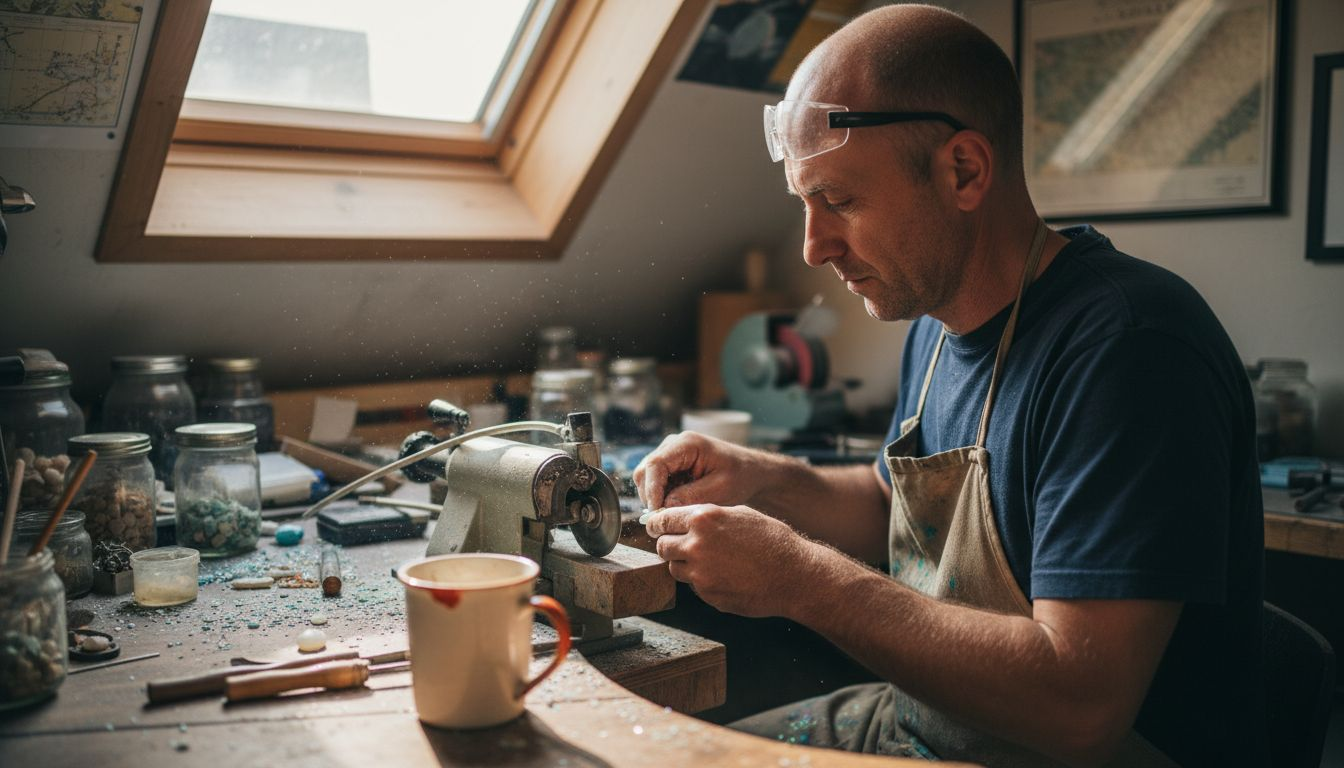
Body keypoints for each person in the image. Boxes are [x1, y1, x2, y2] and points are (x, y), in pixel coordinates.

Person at [634, 5, 1265, 766]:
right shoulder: (936, 322)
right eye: (804, 203)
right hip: (921, 727)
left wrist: (802, 580)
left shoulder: (1129, 350)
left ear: (963, 170)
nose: (813, 247)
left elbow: (1081, 705)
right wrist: (761, 482)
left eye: (839, 201)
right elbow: (892, 509)